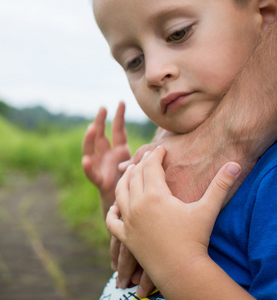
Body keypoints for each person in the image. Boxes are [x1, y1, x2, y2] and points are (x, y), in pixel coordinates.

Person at [82, 0, 277, 298]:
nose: (153, 74)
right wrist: (120, 197)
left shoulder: (270, 182)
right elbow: (133, 266)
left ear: (266, 16)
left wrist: (178, 265)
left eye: (178, 33)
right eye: (134, 61)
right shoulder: (164, 154)